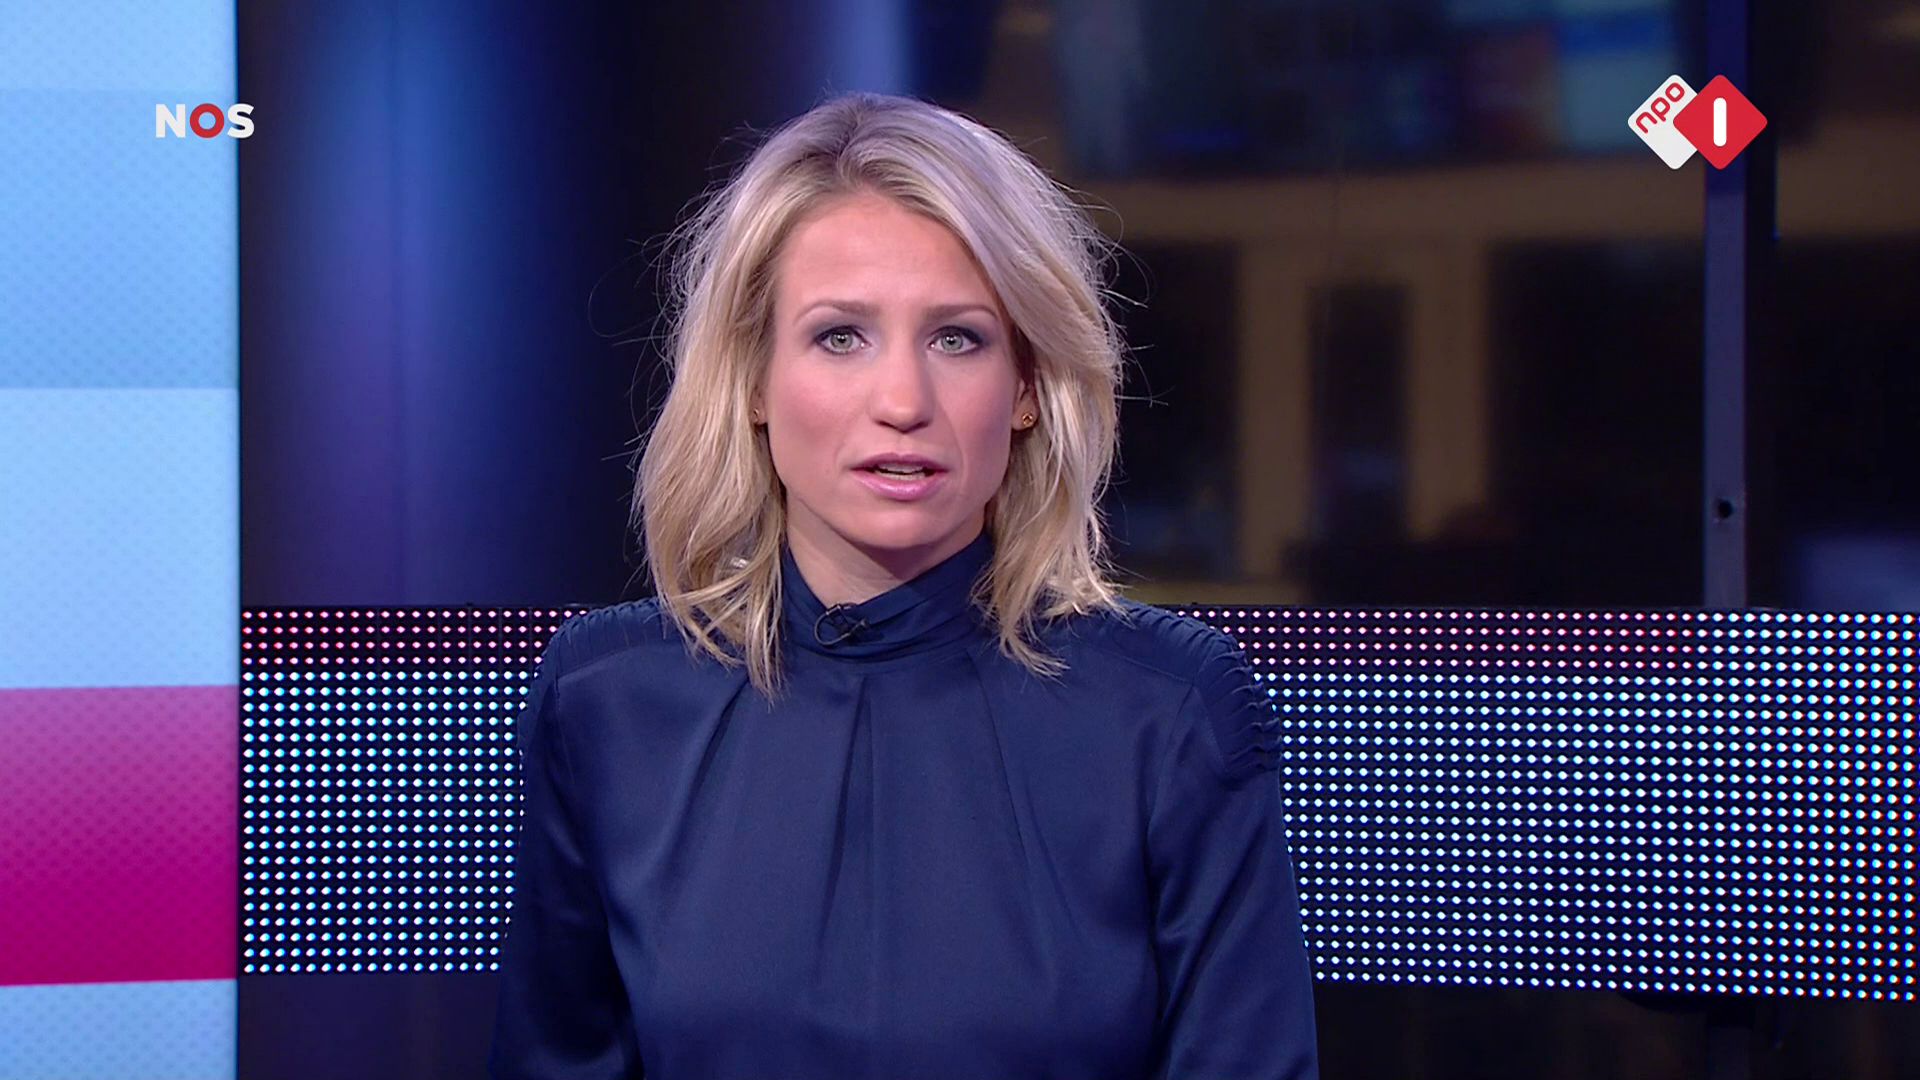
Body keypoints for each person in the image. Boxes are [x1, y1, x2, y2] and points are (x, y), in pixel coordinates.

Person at [488, 90, 1318, 1080]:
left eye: (956, 338)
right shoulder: (607, 700)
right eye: (841, 336)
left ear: (1025, 386)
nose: (902, 401)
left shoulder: (1171, 710)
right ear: (752, 380)